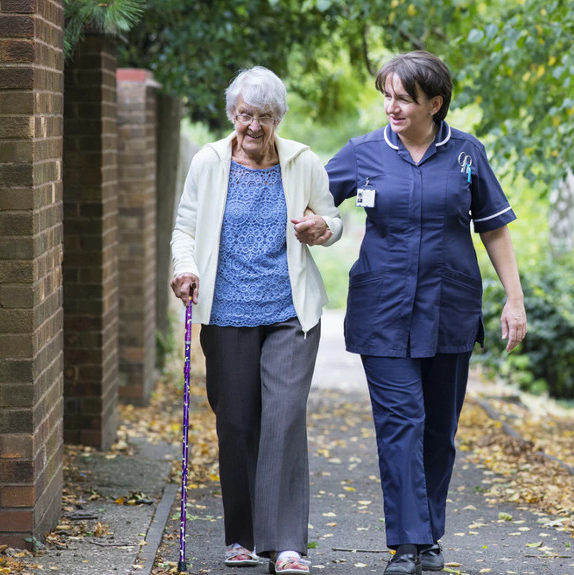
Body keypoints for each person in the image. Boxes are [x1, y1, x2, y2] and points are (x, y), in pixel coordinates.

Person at [323, 50, 528, 575]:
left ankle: (429, 535)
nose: (391, 106)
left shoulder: (466, 154)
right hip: (382, 311)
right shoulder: (363, 152)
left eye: (404, 98)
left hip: (450, 308)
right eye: (386, 95)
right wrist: (319, 227)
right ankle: (409, 543)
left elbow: (494, 228)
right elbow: (311, 199)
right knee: (401, 423)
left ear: (434, 104)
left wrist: (514, 298)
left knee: (439, 429)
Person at [170, 66, 342, 575]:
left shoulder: (302, 162)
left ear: (278, 119)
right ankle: (243, 537)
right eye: (246, 115)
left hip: (290, 313)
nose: (253, 126)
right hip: (226, 314)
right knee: (238, 421)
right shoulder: (209, 162)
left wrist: (321, 229)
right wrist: (185, 269)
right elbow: (185, 228)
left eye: (264, 117)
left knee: (284, 417)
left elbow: (332, 218)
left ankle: (287, 544)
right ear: (232, 115)